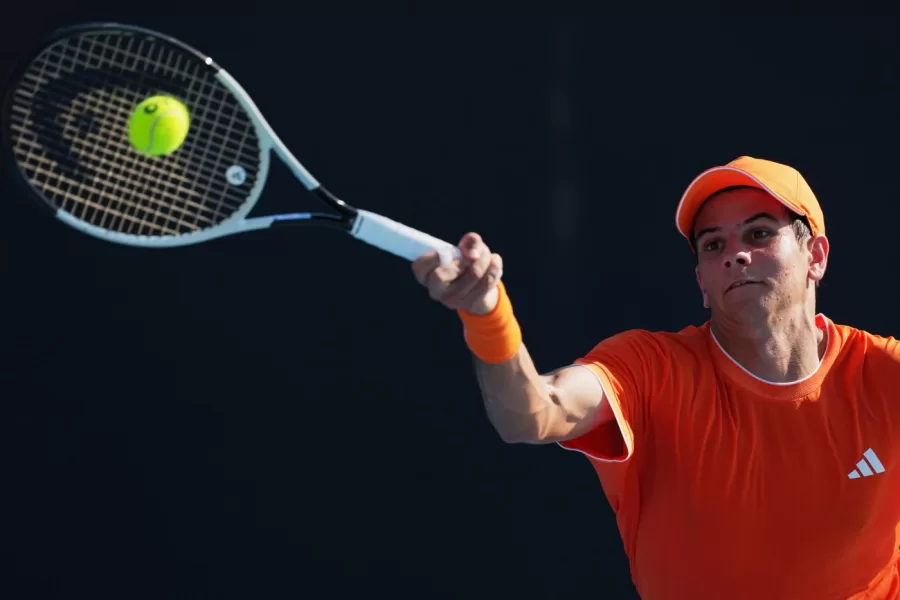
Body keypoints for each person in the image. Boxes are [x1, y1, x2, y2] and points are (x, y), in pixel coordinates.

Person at [412, 156, 900, 600]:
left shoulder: (885, 373)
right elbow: (533, 413)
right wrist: (487, 314)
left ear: (815, 255)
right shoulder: (649, 370)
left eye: (758, 234)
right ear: (702, 283)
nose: (736, 255)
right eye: (714, 245)